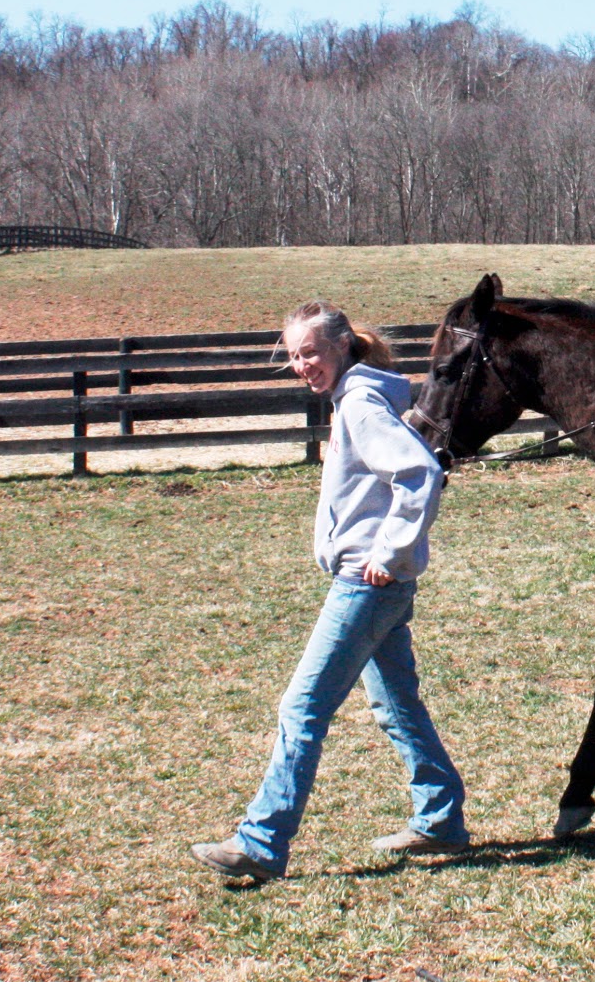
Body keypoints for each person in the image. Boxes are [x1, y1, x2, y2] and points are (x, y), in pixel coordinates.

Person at [191, 300, 468, 881]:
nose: (302, 365)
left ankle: (261, 842)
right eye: (294, 356)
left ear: (342, 345)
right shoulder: (357, 397)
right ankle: (440, 816)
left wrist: (389, 553)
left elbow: (419, 472)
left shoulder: (362, 403)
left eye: (310, 351)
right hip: (377, 585)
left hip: (366, 586)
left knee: (302, 707)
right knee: (395, 703)